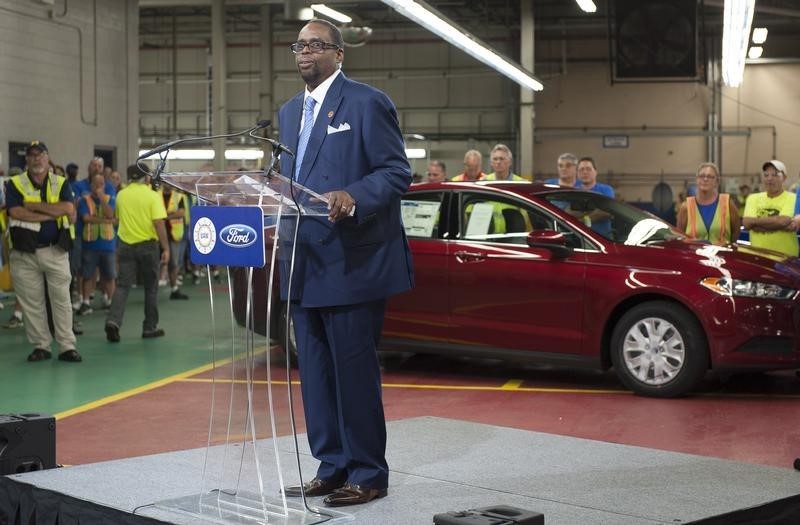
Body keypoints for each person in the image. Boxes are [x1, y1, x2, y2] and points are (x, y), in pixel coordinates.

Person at [278, 18, 413, 507]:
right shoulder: (290, 112)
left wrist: (352, 196)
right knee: (314, 373)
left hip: (351, 262)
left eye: (316, 44)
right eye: (299, 45)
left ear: (339, 54)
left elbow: (397, 171)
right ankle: (331, 465)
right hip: (302, 261)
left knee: (353, 373)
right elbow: (289, 179)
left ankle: (368, 472)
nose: (305, 52)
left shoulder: (366, 102)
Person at [6, 141, 81, 362]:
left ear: (47, 158)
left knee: (62, 300)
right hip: (24, 253)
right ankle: (42, 346)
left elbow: (68, 208)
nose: (36, 159)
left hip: (56, 250)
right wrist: (51, 214)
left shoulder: (61, 182)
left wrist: (34, 207)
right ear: (26, 159)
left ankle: (67, 346)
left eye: (40, 155)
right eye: (31, 155)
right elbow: (16, 212)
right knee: (32, 303)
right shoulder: (15, 183)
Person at [104, 164, 169, 342]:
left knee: (123, 286)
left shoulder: (121, 195)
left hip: (125, 245)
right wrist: (166, 248)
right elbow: (158, 223)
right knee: (151, 288)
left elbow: (117, 218)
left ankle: (113, 321)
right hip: (148, 246)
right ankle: (149, 327)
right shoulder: (152, 196)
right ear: (146, 177)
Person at [76, 172, 117, 315]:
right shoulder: (83, 200)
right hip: (90, 244)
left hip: (108, 244)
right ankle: (86, 303)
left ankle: (111, 302)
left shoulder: (110, 199)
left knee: (110, 275)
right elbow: (86, 218)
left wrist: (101, 198)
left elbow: (111, 214)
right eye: (95, 184)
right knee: (87, 275)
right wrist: (106, 221)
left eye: (101, 184)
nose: (98, 187)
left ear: (104, 185)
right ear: (91, 185)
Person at [742, 160, 798, 257]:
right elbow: (747, 223)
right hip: (758, 257)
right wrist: (777, 224)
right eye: (766, 175)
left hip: (785, 258)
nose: (770, 178)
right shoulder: (753, 198)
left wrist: (755, 223)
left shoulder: (793, 198)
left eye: (775, 175)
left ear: (784, 177)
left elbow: (783, 221)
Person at [676, 162, 741, 245]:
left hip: (722, 256)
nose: (705, 179)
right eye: (702, 176)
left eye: (710, 177)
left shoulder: (728, 204)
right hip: (695, 256)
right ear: (697, 180)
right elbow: (680, 236)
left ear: (717, 182)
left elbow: (736, 232)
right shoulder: (686, 207)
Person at [160, 184, 189, 300]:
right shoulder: (156, 195)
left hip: (174, 235)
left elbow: (181, 213)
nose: (167, 184)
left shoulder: (179, 196)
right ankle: (153, 288)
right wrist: (171, 214)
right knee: (156, 263)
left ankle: (174, 289)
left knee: (174, 263)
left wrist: (164, 216)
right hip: (156, 234)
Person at [574, 156, 615, 235]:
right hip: (580, 238)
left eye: (588, 169)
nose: (585, 172)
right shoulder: (573, 192)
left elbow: (606, 212)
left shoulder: (606, 190)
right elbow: (569, 212)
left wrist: (580, 220)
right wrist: (594, 211)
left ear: (596, 172)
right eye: (581, 169)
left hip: (603, 238)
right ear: (577, 174)